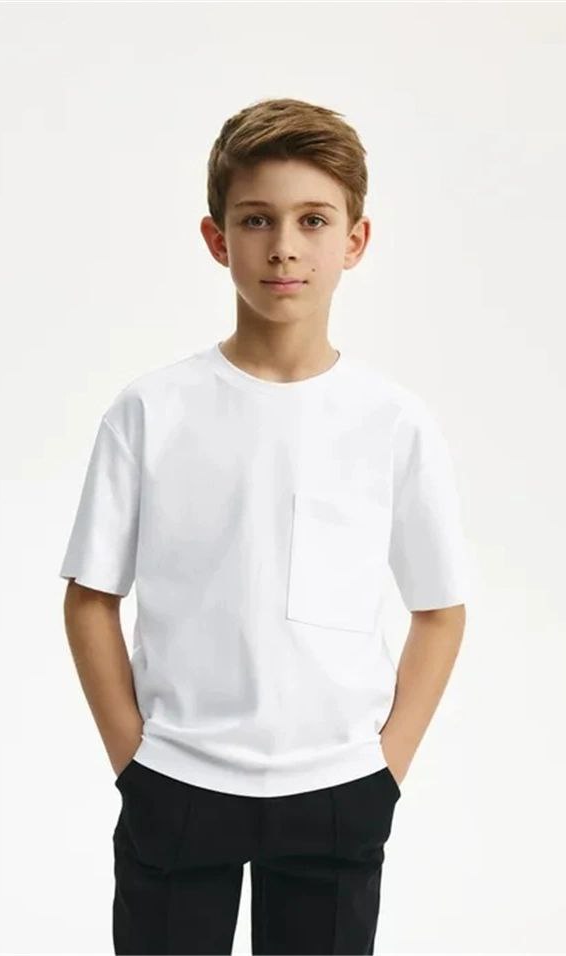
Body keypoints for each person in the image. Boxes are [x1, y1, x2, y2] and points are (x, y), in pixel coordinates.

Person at [59, 96, 470, 956]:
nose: (284, 245)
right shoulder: (152, 410)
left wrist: (386, 766)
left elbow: (440, 610)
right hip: (177, 781)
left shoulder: (392, 422)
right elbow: (91, 597)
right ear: (218, 239)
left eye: (313, 220)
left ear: (355, 240)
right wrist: (133, 760)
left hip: (338, 790)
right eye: (257, 220)